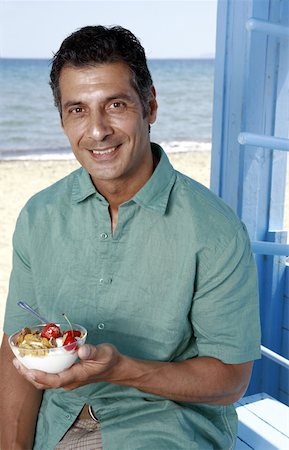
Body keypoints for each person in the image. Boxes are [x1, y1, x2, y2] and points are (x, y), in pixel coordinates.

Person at [0, 25, 261, 450]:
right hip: (57, 423)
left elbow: (231, 380)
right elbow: (16, 350)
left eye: (115, 104)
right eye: (77, 110)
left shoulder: (215, 230)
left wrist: (120, 369)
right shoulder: (38, 216)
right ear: (63, 119)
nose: (97, 130)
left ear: (150, 105)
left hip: (164, 427)